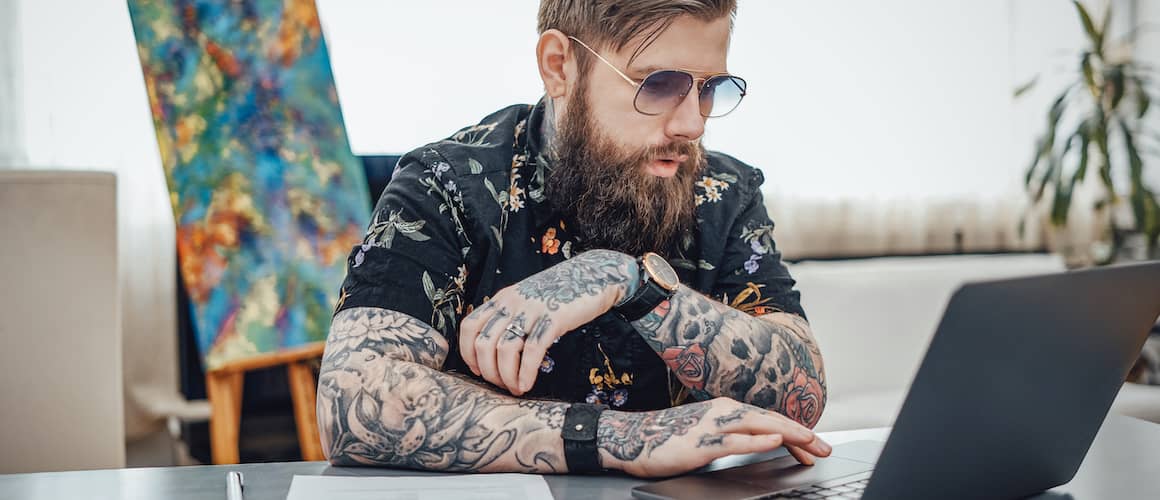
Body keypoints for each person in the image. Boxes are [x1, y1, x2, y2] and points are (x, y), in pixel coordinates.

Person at [317, 0, 831, 477]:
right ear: (559, 66)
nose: (693, 123)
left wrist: (631, 282)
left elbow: (802, 394)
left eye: (710, 88)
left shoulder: (723, 192)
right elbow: (350, 403)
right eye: (658, 84)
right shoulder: (446, 183)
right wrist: (626, 439)